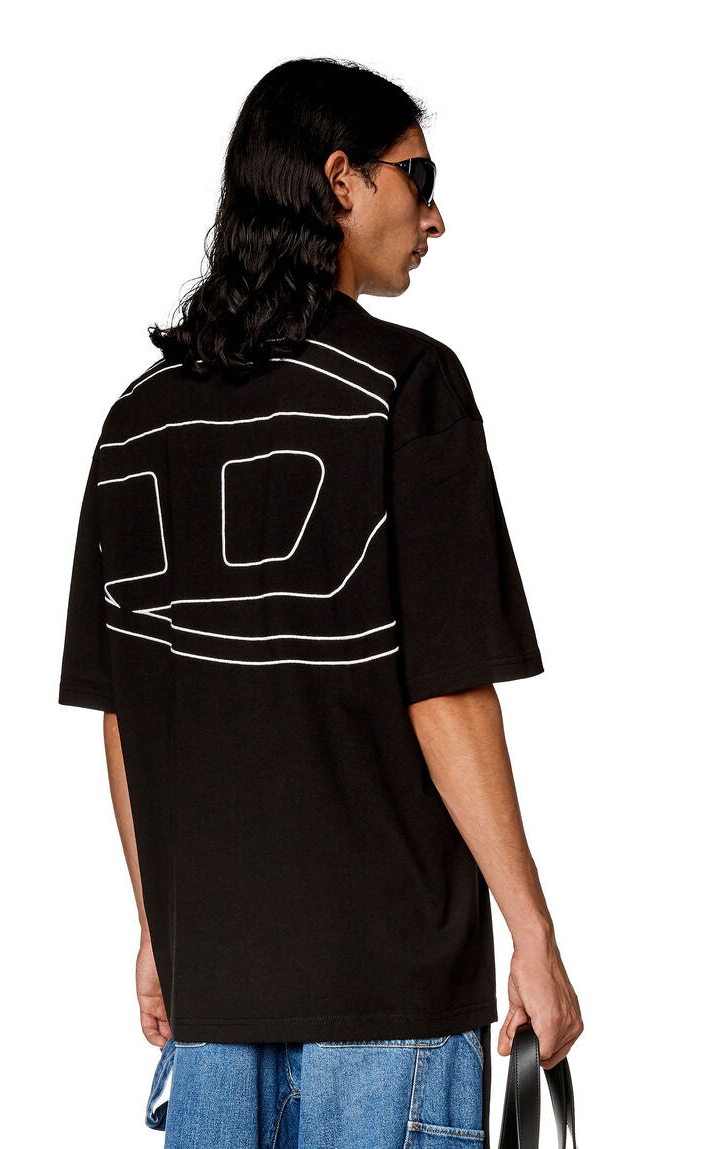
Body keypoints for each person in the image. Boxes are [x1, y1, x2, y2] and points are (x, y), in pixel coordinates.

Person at [58, 57, 583, 1148]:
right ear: (341, 180)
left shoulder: (136, 421)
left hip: (213, 996)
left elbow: (127, 712)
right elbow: (445, 691)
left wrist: (159, 931)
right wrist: (531, 931)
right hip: (388, 986)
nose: (433, 215)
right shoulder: (407, 385)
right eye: (417, 176)